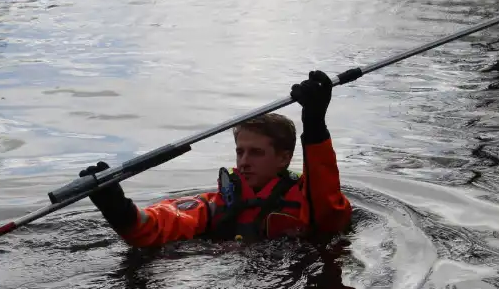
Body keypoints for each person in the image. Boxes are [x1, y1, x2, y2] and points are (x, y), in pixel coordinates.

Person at [80, 71, 352, 246]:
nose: (244, 161)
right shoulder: (216, 204)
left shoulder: (307, 201)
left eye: (256, 152)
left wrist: (315, 125)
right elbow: (157, 225)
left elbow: (330, 212)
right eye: (240, 151)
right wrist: (117, 208)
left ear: (284, 158)